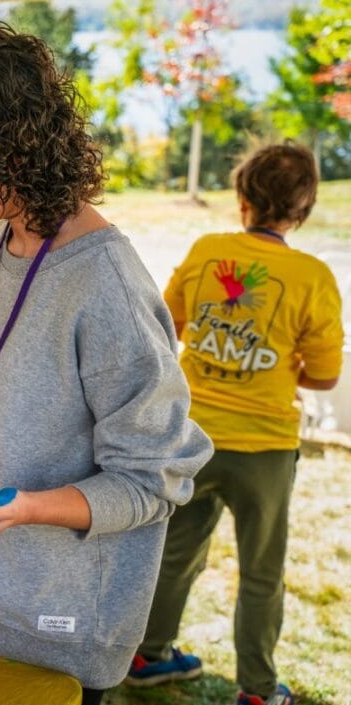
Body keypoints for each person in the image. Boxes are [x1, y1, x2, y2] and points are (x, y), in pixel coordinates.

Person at [0, 20, 213, 704]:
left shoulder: (106, 285)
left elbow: (156, 478)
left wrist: (29, 508)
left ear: (13, 144)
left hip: (63, 633)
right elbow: (6, 412)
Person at [128, 142, 343, 705]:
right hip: (266, 448)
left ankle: (149, 654)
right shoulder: (311, 275)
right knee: (261, 571)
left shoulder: (207, 250)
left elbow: (167, 323)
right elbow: (323, 377)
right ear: (302, 209)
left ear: (243, 197)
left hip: (192, 435)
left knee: (175, 551)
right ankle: (257, 689)